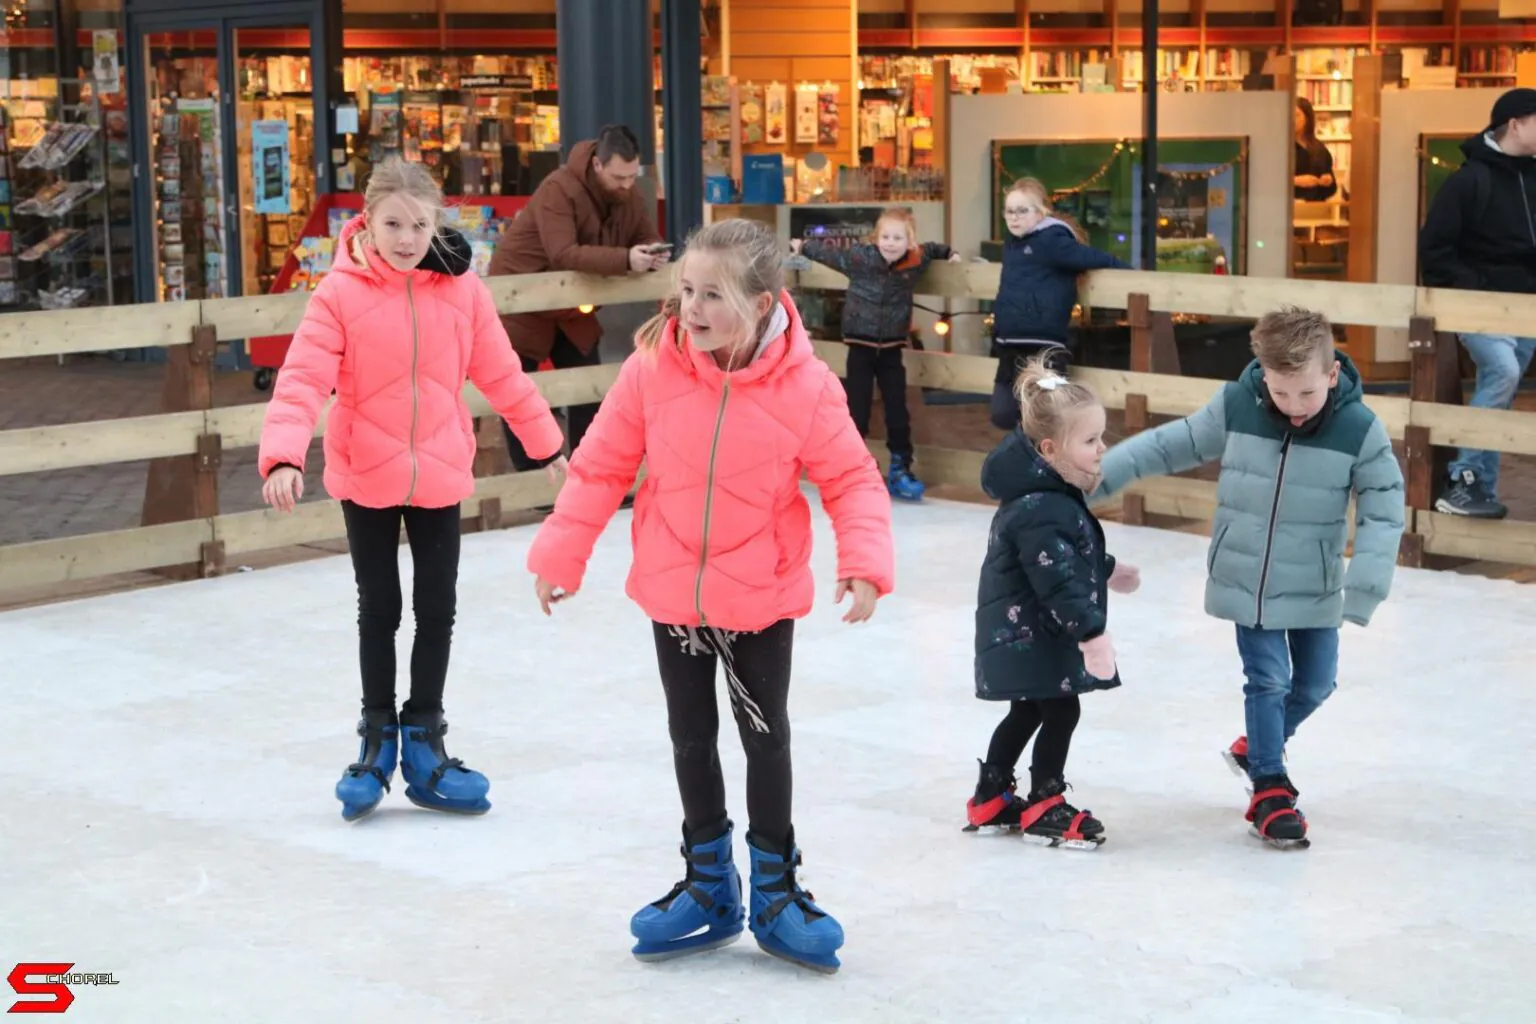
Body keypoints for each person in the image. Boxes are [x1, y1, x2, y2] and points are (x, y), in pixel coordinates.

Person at [525, 218, 895, 973]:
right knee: (690, 738)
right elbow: (599, 467)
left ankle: (776, 891)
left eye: (711, 296)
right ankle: (708, 887)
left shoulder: (807, 386)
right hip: (674, 589)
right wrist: (563, 551)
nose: (690, 309)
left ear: (761, 304)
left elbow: (852, 479)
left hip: (759, 591)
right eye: (685, 290)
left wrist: (863, 561)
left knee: (766, 739)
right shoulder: (655, 366)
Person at [258, 159, 568, 822]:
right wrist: (283, 457)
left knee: (437, 607)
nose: (405, 237)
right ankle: (377, 741)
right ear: (365, 222)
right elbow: (302, 380)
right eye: (392, 223)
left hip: (439, 470)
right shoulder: (337, 295)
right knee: (381, 607)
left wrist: (547, 445)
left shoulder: (463, 293)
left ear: (437, 225)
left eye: (418, 224)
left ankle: (425, 739)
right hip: (365, 469)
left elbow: (505, 375)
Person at [1091, 306, 1404, 849]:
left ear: (1332, 375)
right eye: (1282, 394)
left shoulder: (1359, 429)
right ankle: (1269, 787)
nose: (1294, 407)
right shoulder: (1239, 405)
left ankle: (1256, 747)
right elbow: (1171, 444)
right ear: (1263, 374)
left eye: (1307, 394)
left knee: (1316, 684)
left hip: (1317, 582)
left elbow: (1384, 503)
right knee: (1268, 681)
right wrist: (1096, 481)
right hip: (1247, 576)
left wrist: (1367, 583)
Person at [964, 357, 1136, 850]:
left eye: (1102, 436)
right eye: (1090, 441)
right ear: (1049, 448)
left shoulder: (1044, 493)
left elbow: (1065, 556)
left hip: (1020, 633)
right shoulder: (1045, 505)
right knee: (1060, 713)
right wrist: (1091, 633)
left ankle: (991, 796)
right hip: (1034, 633)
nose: (1102, 448)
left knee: (1027, 712)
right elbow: (1057, 579)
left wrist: (1106, 569)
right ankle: (1045, 802)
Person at [488, 123, 667, 470]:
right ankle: (535, 486)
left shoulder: (627, 196)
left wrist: (655, 253)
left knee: (591, 389)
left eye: (632, 176)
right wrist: (626, 259)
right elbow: (563, 253)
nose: (627, 185)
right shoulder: (559, 188)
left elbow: (645, 233)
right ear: (598, 165)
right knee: (522, 399)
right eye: (619, 177)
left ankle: (595, 473)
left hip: (571, 307)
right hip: (521, 302)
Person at [1418, 87, 1536, 519]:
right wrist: (1476, 287)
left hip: (1527, 310)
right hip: (1479, 306)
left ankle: (1479, 488)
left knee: (1500, 392)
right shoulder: (1469, 181)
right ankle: (1462, 478)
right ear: (1516, 123)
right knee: (1502, 373)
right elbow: (1434, 251)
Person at [791, 206, 961, 501]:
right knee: (857, 410)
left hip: (892, 348)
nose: (891, 243)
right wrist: (804, 246)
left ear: (909, 241)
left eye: (898, 237)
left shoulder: (915, 260)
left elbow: (933, 249)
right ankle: (849, 471)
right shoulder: (861, 258)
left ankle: (900, 468)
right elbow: (830, 255)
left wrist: (950, 253)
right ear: (876, 237)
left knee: (897, 409)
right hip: (860, 346)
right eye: (886, 236)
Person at [989, 177, 1128, 431]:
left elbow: (1090, 257)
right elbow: (1007, 289)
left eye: (1022, 210)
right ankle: (1030, 458)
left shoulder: (1053, 241)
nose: (1014, 217)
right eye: (1009, 211)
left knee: (1049, 413)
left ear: (1041, 212)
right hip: (1010, 346)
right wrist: (998, 332)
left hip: (1045, 348)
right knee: (1003, 412)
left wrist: (1129, 272)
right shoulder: (1012, 246)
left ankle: (1051, 463)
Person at [1293, 98, 1338, 202]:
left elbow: (1331, 190)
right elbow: (1269, 181)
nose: (1292, 119)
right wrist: (1295, 181)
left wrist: (1328, 181)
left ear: (1307, 118)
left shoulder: (1319, 148)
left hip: (1315, 208)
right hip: (1288, 208)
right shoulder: (1281, 147)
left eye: (1296, 115)